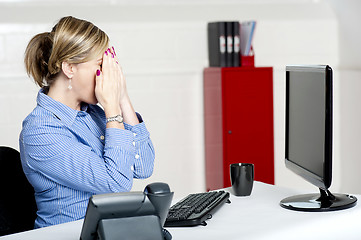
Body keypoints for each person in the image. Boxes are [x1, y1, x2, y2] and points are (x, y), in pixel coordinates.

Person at [19, 16, 155, 228]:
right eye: (101, 65)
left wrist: (121, 97)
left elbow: (143, 165)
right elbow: (116, 184)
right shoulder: (40, 131)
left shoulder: (93, 114)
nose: (108, 75)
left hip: (106, 230)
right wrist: (112, 110)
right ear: (70, 68)